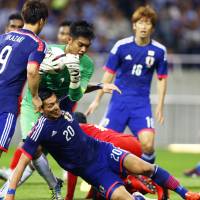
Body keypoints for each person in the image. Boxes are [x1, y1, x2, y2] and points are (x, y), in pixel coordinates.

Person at [4, 89, 200, 200]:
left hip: (103, 150)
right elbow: (22, 163)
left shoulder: (61, 105)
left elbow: (78, 90)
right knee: (125, 198)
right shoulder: (40, 130)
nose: (55, 107)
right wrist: (11, 193)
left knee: (147, 167)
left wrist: (99, 86)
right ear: (41, 108)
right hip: (93, 172)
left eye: (56, 103)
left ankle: (186, 194)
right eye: (50, 105)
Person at [0, 21, 120, 199]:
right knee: (31, 148)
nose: (83, 50)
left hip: (57, 108)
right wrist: (43, 73)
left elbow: (75, 95)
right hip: (33, 104)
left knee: (37, 153)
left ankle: (17, 190)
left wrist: (75, 78)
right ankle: (22, 190)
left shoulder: (86, 64)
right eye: (80, 44)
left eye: (87, 46)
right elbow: (32, 74)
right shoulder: (49, 51)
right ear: (70, 40)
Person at [86, 5, 168, 164]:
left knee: (148, 144)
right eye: (140, 22)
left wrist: (160, 106)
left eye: (148, 23)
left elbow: (162, 78)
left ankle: (147, 177)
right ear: (134, 25)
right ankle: (95, 179)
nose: (144, 26)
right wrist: (97, 100)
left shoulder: (159, 50)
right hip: (119, 103)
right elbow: (108, 75)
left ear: (152, 27)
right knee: (103, 142)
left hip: (141, 104)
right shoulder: (121, 46)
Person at [0, 0, 48, 158]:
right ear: (42, 21)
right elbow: (32, 70)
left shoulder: (4, 37)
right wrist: (35, 97)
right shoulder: (37, 43)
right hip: (6, 101)